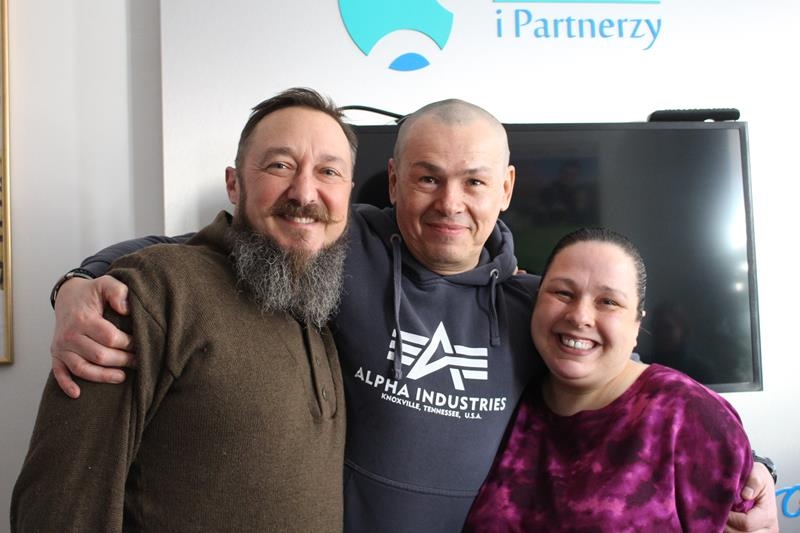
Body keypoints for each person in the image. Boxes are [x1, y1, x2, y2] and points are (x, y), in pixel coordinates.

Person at [44, 100, 778, 533]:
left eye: (473, 182)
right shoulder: (339, 248)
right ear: (393, 179)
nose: (448, 203)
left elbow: (638, 395)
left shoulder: (536, 307)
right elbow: (205, 248)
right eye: (427, 177)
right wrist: (79, 281)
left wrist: (751, 474)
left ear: (506, 189)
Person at [11, 88, 356, 531]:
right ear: (234, 184)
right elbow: (60, 499)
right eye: (280, 165)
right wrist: (73, 281)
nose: (305, 192)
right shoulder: (155, 289)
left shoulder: (315, 299)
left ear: (348, 195)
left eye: (328, 171)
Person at [464, 228, 756, 531]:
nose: (580, 316)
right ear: (535, 302)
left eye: (608, 301)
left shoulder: (689, 416)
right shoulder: (507, 399)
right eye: (563, 293)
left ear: (636, 325)